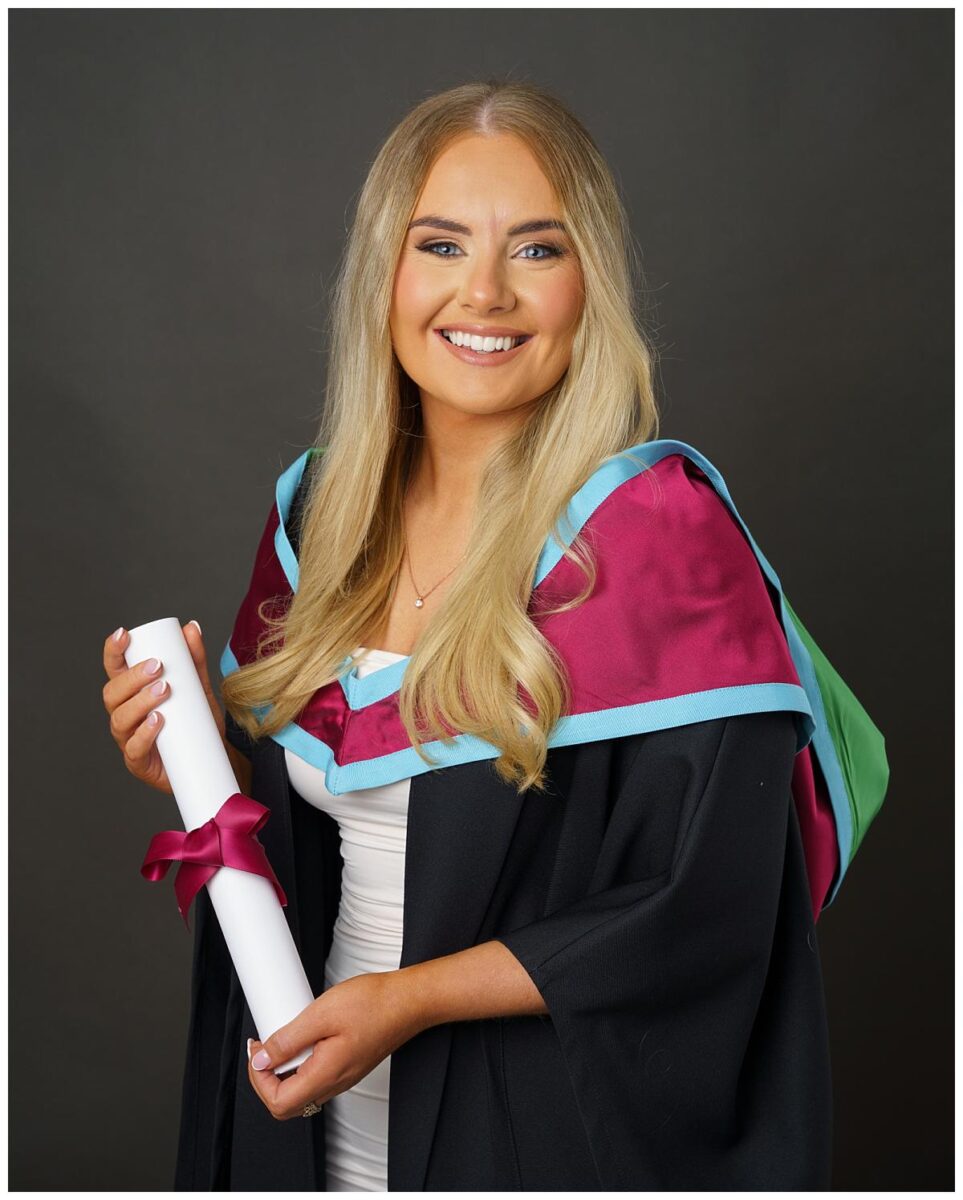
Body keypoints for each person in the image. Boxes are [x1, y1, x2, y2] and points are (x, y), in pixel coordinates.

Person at [102, 79, 888, 1191]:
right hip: (308, 1121)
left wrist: (412, 998)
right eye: (440, 245)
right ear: (386, 274)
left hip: (527, 1135)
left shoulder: (658, 539)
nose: (484, 293)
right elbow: (333, 836)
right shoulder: (319, 526)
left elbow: (712, 902)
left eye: (535, 249)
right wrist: (195, 770)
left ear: (589, 285)